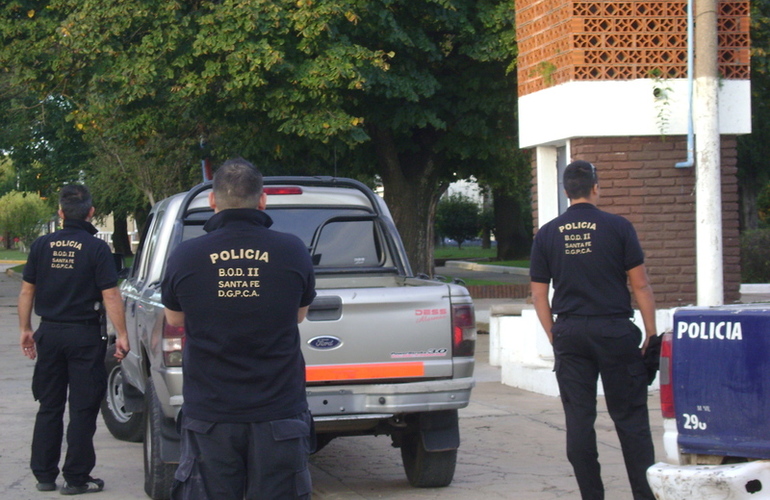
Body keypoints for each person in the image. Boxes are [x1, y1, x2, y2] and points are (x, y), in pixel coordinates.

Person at [161, 158, 317, 499]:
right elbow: (299, 315)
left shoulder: (186, 255)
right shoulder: (292, 250)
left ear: (212, 201)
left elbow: (174, 319)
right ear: (262, 200)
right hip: (278, 411)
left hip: (211, 415)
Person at [529, 160, 658, 500]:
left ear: (565, 191)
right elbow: (640, 285)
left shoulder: (547, 233)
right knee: (631, 420)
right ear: (596, 188)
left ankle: (592, 495)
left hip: (571, 332)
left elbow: (539, 294)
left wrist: (554, 333)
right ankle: (644, 496)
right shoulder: (618, 227)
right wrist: (650, 332)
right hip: (615, 331)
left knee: (579, 421)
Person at [18, 184, 130, 495]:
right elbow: (110, 294)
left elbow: (27, 291)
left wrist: (26, 329)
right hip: (83, 335)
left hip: (49, 333)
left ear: (61, 213)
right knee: (82, 407)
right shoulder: (96, 249)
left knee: (49, 405)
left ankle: (43, 474)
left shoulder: (41, 246)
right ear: (92, 212)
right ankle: (77, 478)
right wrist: (121, 334)